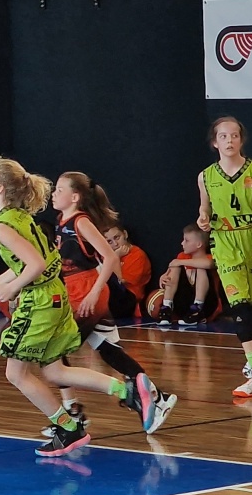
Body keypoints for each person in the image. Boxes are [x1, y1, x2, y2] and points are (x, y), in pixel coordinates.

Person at [0, 158, 149, 458]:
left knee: (16, 374)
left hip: (39, 301)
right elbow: (38, 260)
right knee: (54, 371)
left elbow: (36, 265)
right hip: (55, 296)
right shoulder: (20, 217)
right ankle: (126, 391)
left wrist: (10, 289)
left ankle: (67, 429)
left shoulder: (3, 227)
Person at [49, 173, 175, 434]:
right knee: (110, 351)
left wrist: (94, 293)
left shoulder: (81, 222)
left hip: (87, 293)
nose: (54, 193)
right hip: (77, 291)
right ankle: (158, 398)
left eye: (59, 189)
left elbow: (110, 257)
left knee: (54, 352)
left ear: (75, 197)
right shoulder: (61, 221)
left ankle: (73, 413)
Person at [199, 116, 252, 397]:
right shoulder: (205, 177)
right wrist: (203, 218)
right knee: (240, 306)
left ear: (241, 139)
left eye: (234, 135)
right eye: (223, 136)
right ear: (215, 142)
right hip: (225, 242)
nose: (229, 141)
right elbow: (205, 208)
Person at [152, 223, 220, 325]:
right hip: (184, 304)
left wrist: (180, 262)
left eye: (186, 240)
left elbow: (209, 264)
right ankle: (167, 307)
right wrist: (164, 276)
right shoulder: (182, 256)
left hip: (207, 306)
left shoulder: (210, 257)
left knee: (201, 267)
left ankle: (197, 308)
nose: (182, 243)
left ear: (199, 244)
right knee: (175, 267)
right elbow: (172, 267)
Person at [103, 220, 152, 320]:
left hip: (129, 299)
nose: (115, 244)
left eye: (117, 237)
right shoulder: (106, 255)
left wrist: (115, 257)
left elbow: (119, 281)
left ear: (125, 234)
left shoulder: (137, 255)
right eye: (109, 241)